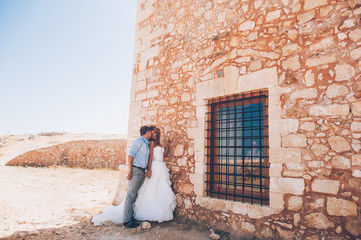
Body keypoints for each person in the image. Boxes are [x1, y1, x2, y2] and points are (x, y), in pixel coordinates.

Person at [92, 125, 176, 227]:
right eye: (151, 132)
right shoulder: (140, 142)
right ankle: (127, 220)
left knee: (136, 194)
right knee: (131, 195)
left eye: (153, 133)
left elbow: (158, 156)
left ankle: (131, 217)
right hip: (139, 169)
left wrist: (166, 146)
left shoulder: (147, 143)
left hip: (147, 170)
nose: (152, 134)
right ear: (147, 133)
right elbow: (134, 156)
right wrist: (132, 170)